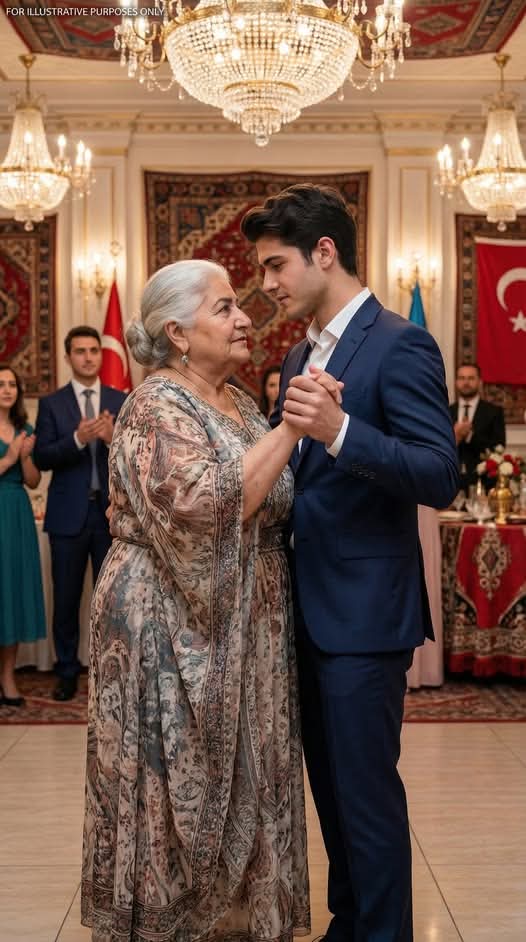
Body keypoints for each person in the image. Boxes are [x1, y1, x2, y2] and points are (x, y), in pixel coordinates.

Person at [81, 259, 325, 940]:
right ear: (178, 333)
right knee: (169, 776)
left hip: (247, 622)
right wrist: (291, 427)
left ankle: (241, 920)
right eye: (224, 308)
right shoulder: (156, 403)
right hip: (166, 621)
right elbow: (206, 504)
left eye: (238, 305)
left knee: (252, 769)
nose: (245, 318)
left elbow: (271, 498)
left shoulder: (240, 402)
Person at [241, 183, 459, 942]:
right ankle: (350, 927)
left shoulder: (401, 343)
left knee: (366, 799)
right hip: (305, 610)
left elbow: (439, 473)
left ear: (324, 252)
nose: (266, 285)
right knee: (331, 798)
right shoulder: (301, 350)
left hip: (365, 615)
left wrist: (339, 431)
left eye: (276, 265)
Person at [34, 327, 127, 701]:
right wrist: (77, 439)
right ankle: (67, 671)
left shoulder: (120, 399)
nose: (88, 357)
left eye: (93, 350)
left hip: (110, 515)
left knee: (113, 600)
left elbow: (136, 454)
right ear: (68, 357)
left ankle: (111, 672)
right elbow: (41, 457)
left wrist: (111, 438)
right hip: (67, 516)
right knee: (67, 599)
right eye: (80, 351)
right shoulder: (52, 404)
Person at [0, 365, 46, 707]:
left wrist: (25, 458)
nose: (6, 389)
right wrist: (10, 457)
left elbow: (32, 480)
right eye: (0, 384)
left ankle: (7, 676)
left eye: (12, 384)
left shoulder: (25, 429)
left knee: (12, 591)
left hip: (16, 511)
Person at [449, 361, 506, 489]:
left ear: (480, 382)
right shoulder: (446, 411)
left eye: (471, 378)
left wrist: (470, 436)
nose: (466, 382)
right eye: (462, 378)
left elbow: (499, 447)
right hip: (451, 481)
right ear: (456, 382)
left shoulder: (494, 412)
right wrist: (455, 437)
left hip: (484, 482)